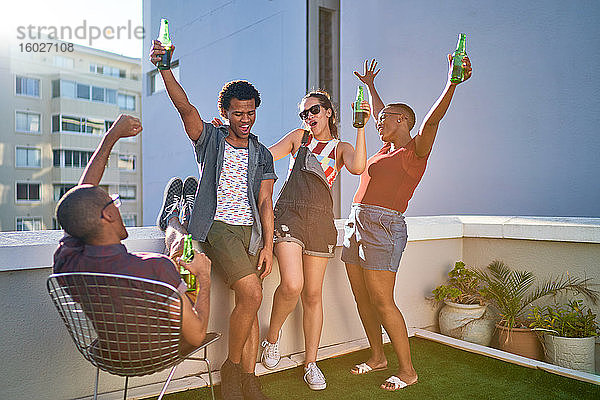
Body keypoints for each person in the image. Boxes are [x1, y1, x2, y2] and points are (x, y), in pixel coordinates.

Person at [150, 41, 277, 400]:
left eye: (250, 113)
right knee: (252, 293)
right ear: (225, 112)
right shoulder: (211, 139)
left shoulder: (262, 153)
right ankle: (232, 367)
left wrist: (267, 244)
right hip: (217, 225)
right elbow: (184, 107)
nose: (245, 120)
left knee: (250, 305)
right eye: (238, 113)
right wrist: (165, 69)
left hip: (249, 233)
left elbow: (266, 201)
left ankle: (249, 380)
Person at [342, 56, 472, 391]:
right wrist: (371, 86)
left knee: (383, 301)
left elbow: (431, 121)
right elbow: (386, 111)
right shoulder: (386, 148)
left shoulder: (414, 151)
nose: (377, 122)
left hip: (384, 227)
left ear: (402, 121)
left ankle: (408, 370)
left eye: (383, 119)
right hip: (356, 223)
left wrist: (452, 82)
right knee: (362, 298)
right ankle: (377, 357)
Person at [53, 114, 211, 351]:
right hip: (159, 351)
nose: (117, 206)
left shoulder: (66, 261)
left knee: (174, 262)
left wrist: (111, 136)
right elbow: (197, 336)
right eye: (113, 202)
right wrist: (205, 277)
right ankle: (174, 222)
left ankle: (173, 220)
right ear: (107, 216)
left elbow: (81, 200)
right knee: (183, 258)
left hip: (109, 352)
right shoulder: (155, 268)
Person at [259, 90, 369, 390]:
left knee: (312, 296)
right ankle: (271, 339)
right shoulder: (299, 139)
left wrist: (361, 126)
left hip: (320, 221)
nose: (309, 117)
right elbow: (265, 154)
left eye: (314, 110)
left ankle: (311, 363)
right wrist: (227, 136)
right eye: (304, 113)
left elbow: (359, 167)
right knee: (292, 284)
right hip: (289, 215)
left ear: (329, 112)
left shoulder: (340, 148)